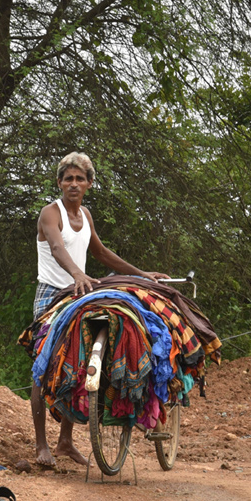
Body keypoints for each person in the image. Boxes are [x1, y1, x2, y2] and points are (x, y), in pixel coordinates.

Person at [31, 152, 168, 467]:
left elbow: (102, 253)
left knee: (78, 359)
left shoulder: (86, 215)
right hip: (52, 294)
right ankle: (42, 446)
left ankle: (65, 441)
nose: (74, 184)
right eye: (68, 179)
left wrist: (141, 275)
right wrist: (77, 273)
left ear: (89, 183)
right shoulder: (50, 214)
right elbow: (56, 247)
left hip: (80, 291)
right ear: (59, 183)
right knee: (44, 362)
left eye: (80, 179)